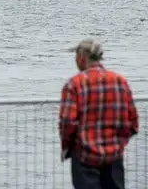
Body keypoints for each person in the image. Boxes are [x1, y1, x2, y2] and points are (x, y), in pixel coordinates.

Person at [59, 39, 139, 189]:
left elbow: (67, 122)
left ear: (81, 58)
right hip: (114, 156)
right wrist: (118, 143)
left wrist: (68, 148)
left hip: (85, 157)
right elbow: (133, 122)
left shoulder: (74, 84)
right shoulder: (120, 81)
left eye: (76, 57)